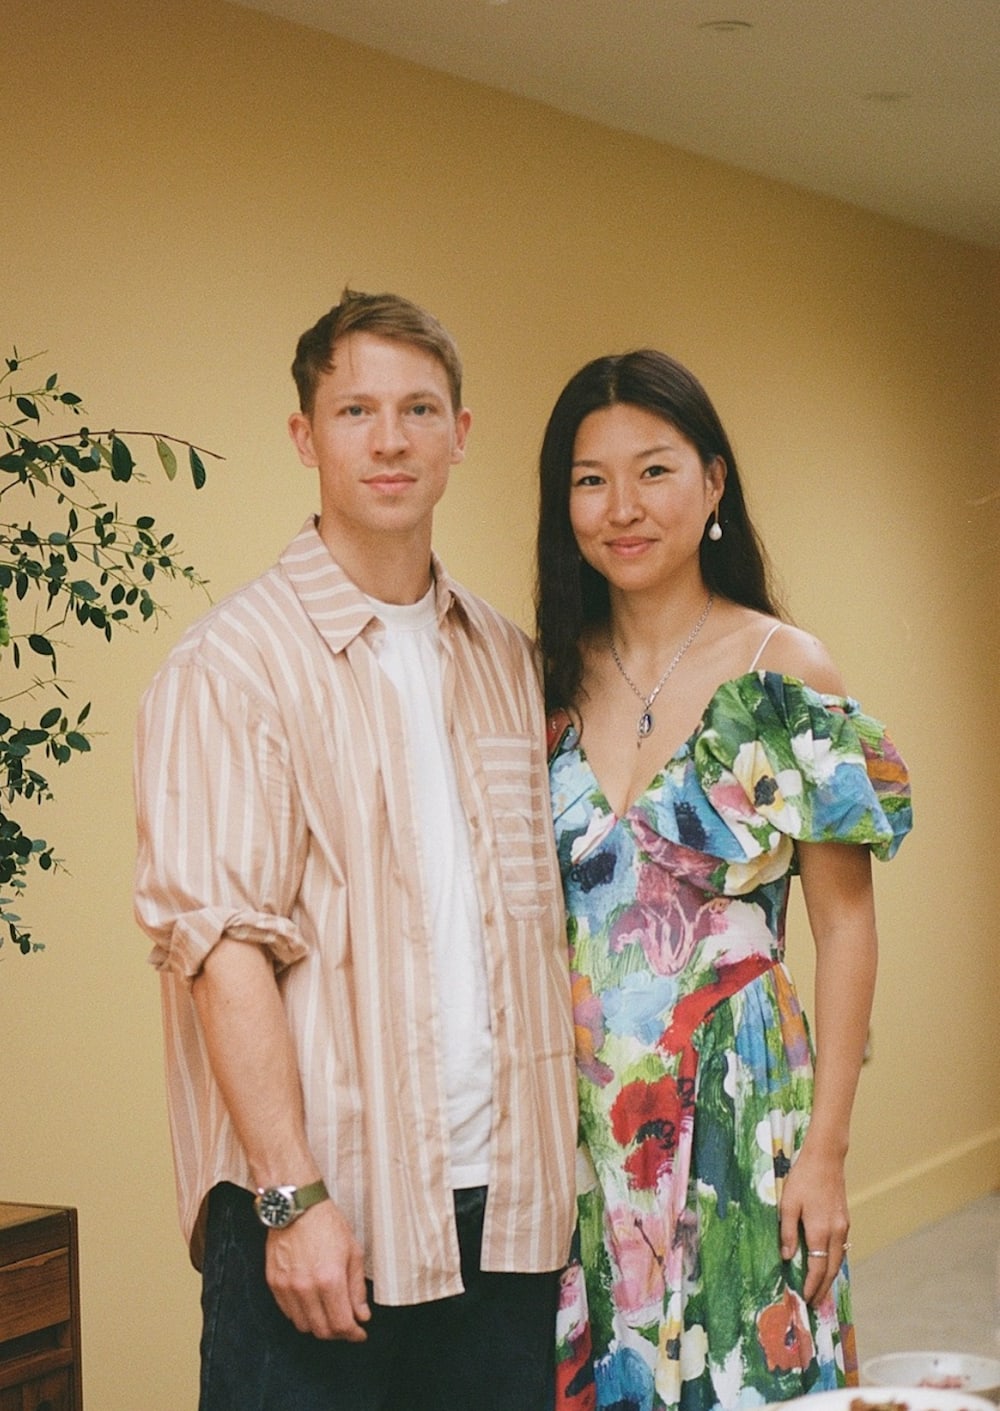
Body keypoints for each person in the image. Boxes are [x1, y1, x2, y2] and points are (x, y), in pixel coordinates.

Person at [133, 289, 577, 1411]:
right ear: (304, 436)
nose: (390, 440)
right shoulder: (230, 666)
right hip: (328, 1221)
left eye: (420, 408)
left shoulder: (506, 659)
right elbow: (220, 949)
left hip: (504, 1212)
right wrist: (291, 1200)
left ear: (461, 436)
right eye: (356, 410)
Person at [534, 349, 912, 1411]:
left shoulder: (783, 672)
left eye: (653, 471)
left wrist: (826, 1152)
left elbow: (844, 929)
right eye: (589, 478)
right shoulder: (541, 680)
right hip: (582, 1114)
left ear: (711, 482)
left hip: (743, 1111)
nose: (621, 507)